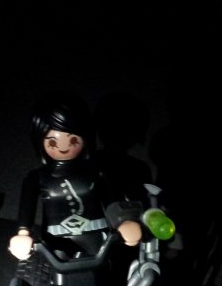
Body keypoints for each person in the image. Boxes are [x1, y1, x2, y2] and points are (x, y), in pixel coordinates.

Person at [8, 91, 142, 261]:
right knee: (57, 273)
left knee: (106, 270)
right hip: (56, 240)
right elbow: (27, 207)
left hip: (97, 237)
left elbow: (111, 200)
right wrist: (23, 233)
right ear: (40, 141)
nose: (63, 147)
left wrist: (123, 222)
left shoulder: (96, 171)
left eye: (73, 140)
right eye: (52, 142)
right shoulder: (37, 177)